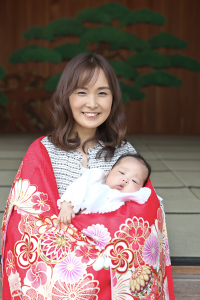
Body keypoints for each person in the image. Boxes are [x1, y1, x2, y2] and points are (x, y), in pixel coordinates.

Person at [1, 53, 175, 300]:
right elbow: (25, 222)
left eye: (102, 93)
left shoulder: (125, 153)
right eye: (82, 92)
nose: (92, 103)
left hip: (112, 273)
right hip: (58, 273)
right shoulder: (42, 150)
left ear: (113, 99)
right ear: (66, 97)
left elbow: (145, 216)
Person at [57, 153, 152, 224]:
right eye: (122, 173)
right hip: (82, 227)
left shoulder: (132, 198)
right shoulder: (95, 185)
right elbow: (76, 191)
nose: (125, 179)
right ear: (108, 174)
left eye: (134, 181)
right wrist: (66, 207)